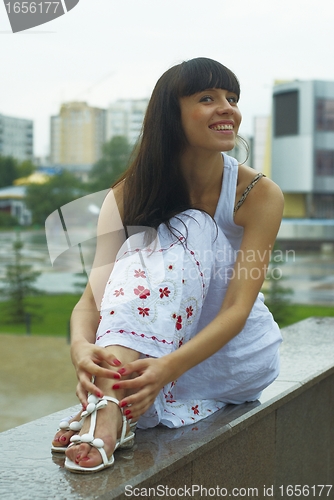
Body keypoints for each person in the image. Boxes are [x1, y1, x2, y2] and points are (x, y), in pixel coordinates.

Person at [52, 57, 284, 473]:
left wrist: (166, 368)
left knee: (189, 226)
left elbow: (237, 309)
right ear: (170, 116)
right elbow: (93, 299)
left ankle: (107, 406)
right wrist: (81, 348)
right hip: (146, 360)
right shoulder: (126, 194)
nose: (228, 108)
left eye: (232, 98)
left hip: (227, 357)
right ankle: (112, 403)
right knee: (145, 245)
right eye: (208, 98)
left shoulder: (257, 193)